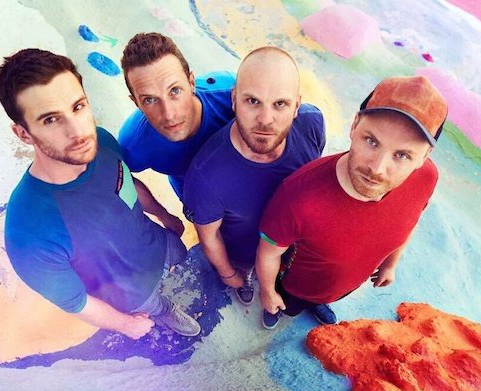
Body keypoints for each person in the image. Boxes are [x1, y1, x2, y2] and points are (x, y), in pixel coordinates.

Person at [0, 48, 201, 339]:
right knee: (156, 306)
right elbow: (76, 302)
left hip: (158, 243)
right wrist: (126, 325)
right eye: (51, 120)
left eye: (78, 107)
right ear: (23, 134)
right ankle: (166, 311)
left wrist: (164, 215)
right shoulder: (28, 232)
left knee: (181, 254)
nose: (78, 131)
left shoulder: (101, 141)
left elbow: (126, 183)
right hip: (132, 294)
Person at [256, 75, 448, 329]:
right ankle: (288, 307)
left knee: (328, 294)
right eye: (372, 141)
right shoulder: (297, 197)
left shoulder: (426, 178)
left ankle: (321, 300)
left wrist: (390, 263)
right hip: (296, 285)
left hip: (347, 284)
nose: (377, 169)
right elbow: (269, 252)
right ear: (354, 125)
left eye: (402, 155)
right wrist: (268, 293)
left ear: (425, 156)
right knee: (290, 305)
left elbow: (411, 220)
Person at [183, 47, 326, 308]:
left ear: (296, 106)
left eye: (280, 104)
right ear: (234, 99)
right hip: (244, 253)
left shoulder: (312, 125)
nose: (265, 120)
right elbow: (209, 237)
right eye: (252, 101)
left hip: (293, 245)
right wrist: (229, 273)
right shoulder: (205, 176)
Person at [118, 32, 235, 200]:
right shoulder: (132, 145)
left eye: (175, 90)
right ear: (136, 103)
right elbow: (118, 180)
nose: (169, 114)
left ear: (191, 83)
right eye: (149, 100)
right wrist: (162, 213)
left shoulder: (233, 95)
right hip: (194, 196)